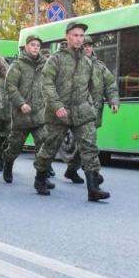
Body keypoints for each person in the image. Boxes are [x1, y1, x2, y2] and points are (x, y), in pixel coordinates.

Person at [33, 21, 110, 201]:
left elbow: (94, 87)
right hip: (59, 112)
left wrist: (92, 107)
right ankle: (40, 178)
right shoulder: (56, 59)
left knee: (89, 147)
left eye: (81, 36)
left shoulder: (87, 61)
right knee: (50, 146)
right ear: (67, 36)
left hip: (82, 112)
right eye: (75, 35)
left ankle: (93, 188)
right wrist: (57, 105)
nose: (78, 39)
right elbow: (46, 83)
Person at [64, 35, 119, 184]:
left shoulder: (100, 66)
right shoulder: (74, 64)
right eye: (85, 46)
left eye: (90, 46)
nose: (88, 48)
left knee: (85, 143)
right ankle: (94, 174)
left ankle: (71, 170)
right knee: (89, 144)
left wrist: (113, 101)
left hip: (94, 112)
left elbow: (110, 85)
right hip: (77, 111)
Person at [2, 35, 49, 185]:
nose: (36, 48)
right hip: (21, 115)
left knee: (43, 144)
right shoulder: (17, 65)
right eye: (33, 45)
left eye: (38, 45)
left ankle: (42, 177)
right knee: (15, 146)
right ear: (26, 47)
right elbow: (10, 87)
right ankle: (8, 164)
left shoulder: (45, 64)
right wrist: (21, 103)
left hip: (40, 114)